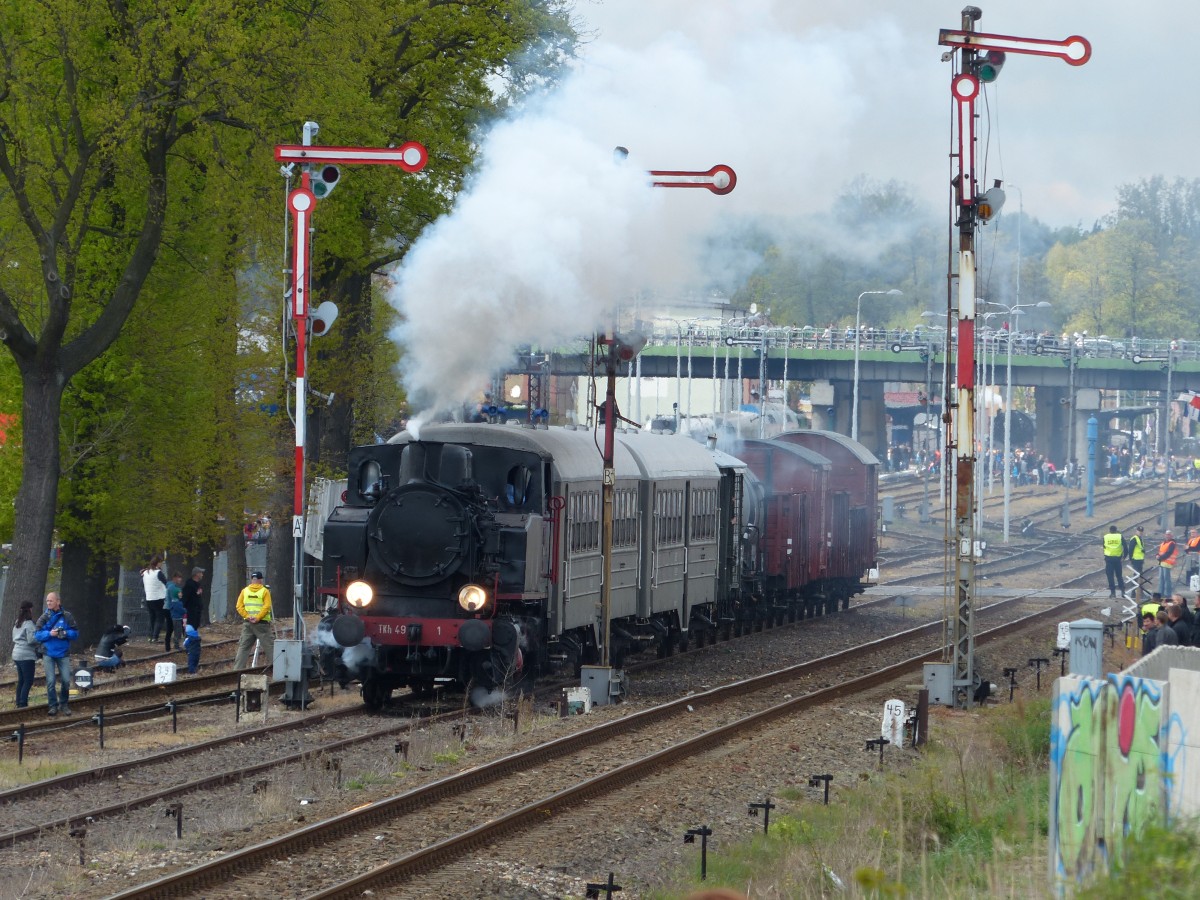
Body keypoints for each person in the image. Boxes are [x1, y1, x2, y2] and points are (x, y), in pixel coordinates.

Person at [34, 592, 78, 716]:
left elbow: (75, 633)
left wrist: (65, 633)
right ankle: (53, 706)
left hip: (63, 654)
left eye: (51, 601)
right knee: (50, 681)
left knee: (66, 680)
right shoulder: (44, 617)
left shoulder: (67, 616)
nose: (48, 603)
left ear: (58, 601)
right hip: (48, 653)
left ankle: (63, 704)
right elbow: (36, 635)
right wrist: (50, 634)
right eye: (47, 601)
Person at [234, 571, 273, 669]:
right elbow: (267, 606)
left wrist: (247, 616)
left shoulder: (245, 591)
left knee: (243, 648)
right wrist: (258, 617)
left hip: (248, 624)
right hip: (262, 624)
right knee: (270, 647)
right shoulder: (265, 591)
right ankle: (278, 670)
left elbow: (239, 606)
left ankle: (237, 671)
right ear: (261, 580)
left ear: (252, 580)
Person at [11, 600, 38, 708]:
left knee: (21, 680)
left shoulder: (18, 622)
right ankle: (23, 703)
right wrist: (40, 638)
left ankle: (18, 702)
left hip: (16, 653)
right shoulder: (29, 623)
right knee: (28, 681)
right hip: (26, 655)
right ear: (30, 609)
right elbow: (31, 640)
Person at [141, 554, 168, 642]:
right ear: (158, 563)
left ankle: (150, 636)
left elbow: (142, 584)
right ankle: (155, 637)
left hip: (149, 598)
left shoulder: (145, 573)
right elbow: (166, 583)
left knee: (152, 617)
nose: (162, 565)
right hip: (159, 598)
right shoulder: (158, 573)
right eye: (161, 563)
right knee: (160, 618)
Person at [1102, 525, 1124, 598]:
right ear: (1116, 530)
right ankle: (1123, 592)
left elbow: (1104, 546)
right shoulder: (1120, 536)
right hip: (1118, 559)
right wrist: (1124, 557)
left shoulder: (1106, 537)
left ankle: (1113, 593)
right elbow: (1125, 547)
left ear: (1110, 530)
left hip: (1109, 560)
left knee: (1110, 576)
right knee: (1119, 576)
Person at [1157, 530, 1180, 598]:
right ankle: (1161, 593)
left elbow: (1168, 553)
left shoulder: (1172, 543)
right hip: (1162, 563)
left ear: (1171, 535)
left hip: (1167, 563)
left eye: (1169, 534)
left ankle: (1168, 594)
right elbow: (1160, 551)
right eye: (1167, 534)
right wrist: (1157, 556)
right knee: (1161, 579)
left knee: (1166, 579)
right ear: (1165, 535)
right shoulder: (1163, 543)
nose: (1167, 535)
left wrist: (1160, 557)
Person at [166, 573, 186, 650]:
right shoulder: (175, 601)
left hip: (179, 617)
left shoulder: (178, 601)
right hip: (176, 618)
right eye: (179, 593)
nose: (181, 594)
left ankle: (178, 644)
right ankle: (176, 645)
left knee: (180, 631)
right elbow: (179, 609)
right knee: (177, 632)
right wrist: (185, 610)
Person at [1128, 526, 1147, 601]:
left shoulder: (1140, 539)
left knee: (1139, 577)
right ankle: (1134, 592)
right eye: (1139, 531)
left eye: (1141, 531)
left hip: (1140, 560)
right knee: (1136, 576)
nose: (1140, 532)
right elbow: (1130, 550)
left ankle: (1139, 592)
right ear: (1136, 531)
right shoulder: (1134, 539)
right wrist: (1131, 559)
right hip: (1135, 560)